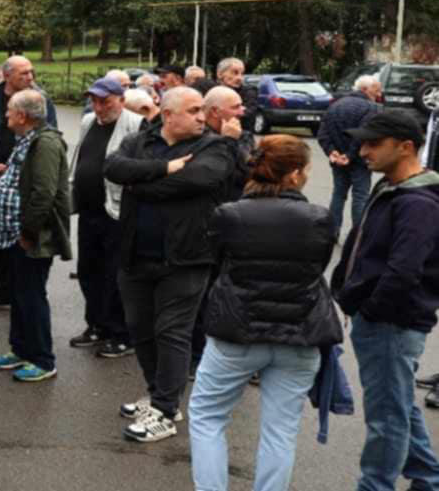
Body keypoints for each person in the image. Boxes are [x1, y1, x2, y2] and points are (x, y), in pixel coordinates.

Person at [188, 135, 343, 491]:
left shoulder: (229, 215)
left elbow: (217, 261)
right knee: (281, 432)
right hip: (299, 333)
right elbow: (316, 267)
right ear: (292, 175)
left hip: (237, 332)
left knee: (208, 418)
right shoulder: (320, 218)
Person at [104, 87, 237, 443]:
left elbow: (200, 179)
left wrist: (141, 185)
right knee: (140, 329)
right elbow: (114, 167)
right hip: (136, 255)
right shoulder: (139, 141)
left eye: (202, 110)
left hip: (186, 259)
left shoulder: (215, 146)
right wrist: (162, 168)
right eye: (193, 110)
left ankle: (164, 410)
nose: (201, 116)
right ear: (168, 114)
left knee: (172, 331)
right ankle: (158, 393)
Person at [331, 109, 439, 491]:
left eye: (373, 144)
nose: (363, 151)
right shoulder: (391, 187)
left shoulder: (418, 202)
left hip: (392, 322)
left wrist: (371, 309)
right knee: (400, 405)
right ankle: (428, 478)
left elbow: (403, 271)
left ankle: (375, 486)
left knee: (386, 417)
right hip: (382, 319)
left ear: (406, 146)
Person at [0, 90, 71, 384]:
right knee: (19, 295)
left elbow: (44, 193)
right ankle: (21, 349)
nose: (6, 115)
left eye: (10, 111)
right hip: (13, 233)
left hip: (31, 236)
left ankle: (42, 359)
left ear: (23, 115)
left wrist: (29, 232)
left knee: (32, 295)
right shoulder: (28, 139)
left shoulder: (45, 143)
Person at [69, 77, 145, 358]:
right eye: (95, 101)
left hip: (116, 213)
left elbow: (141, 169)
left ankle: (122, 333)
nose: (99, 107)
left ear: (121, 100)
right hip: (89, 210)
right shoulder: (88, 121)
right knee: (89, 270)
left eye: (106, 101)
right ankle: (97, 325)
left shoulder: (135, 125)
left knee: (115, 275)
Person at [318, 74, 382, 238]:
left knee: (338, 194)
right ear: (364, 89)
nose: (379, 94)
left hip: (338, 159)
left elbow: (323, 134)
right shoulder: (372, 108)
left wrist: (331, 151)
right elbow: (363, 135)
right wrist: (350, 155)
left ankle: (332, 232)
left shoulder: (335, 106)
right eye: (376, 90)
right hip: (360, 161)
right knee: (360, 197)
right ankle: (358, 235)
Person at [216, 58, 258, 134]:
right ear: (219, 74)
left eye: (242, 74)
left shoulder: (249, 92)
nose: (239, 78)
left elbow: (248, 115)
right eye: (235, 73)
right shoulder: (212, 91)